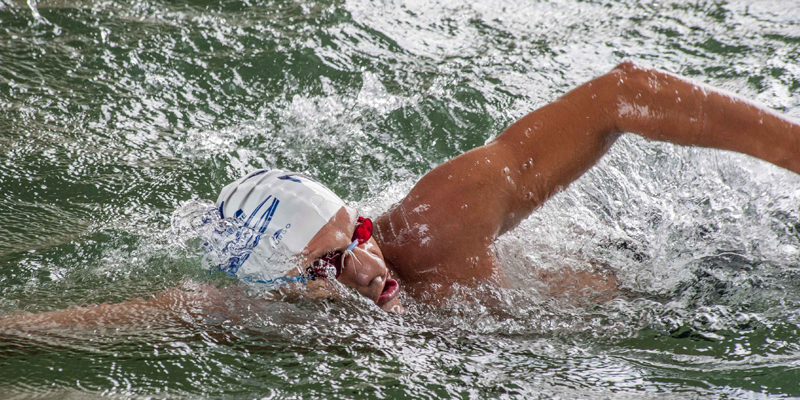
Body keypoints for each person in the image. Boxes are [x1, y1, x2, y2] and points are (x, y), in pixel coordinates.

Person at [2, 62, 798, 326]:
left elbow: (620, 93)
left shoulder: (439, 219)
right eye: (324, 271)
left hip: (697, 289)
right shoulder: (261, 315)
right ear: (280, 288)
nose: (364, 272)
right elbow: (103, 320)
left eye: (355, 241)